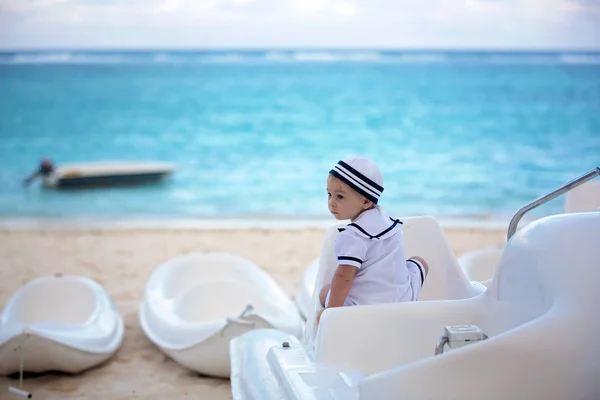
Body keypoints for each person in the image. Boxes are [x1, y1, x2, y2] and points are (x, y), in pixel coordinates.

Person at [317, 156, 429, 323]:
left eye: (340, 197)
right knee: (419, 262)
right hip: (404, 301)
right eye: (329, 194)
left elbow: (344, 277)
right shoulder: (386, 220)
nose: (331, 203)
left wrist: (330, 313)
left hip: (369, 308)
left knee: (324, 292)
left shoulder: (353, 236)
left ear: (366, 201)